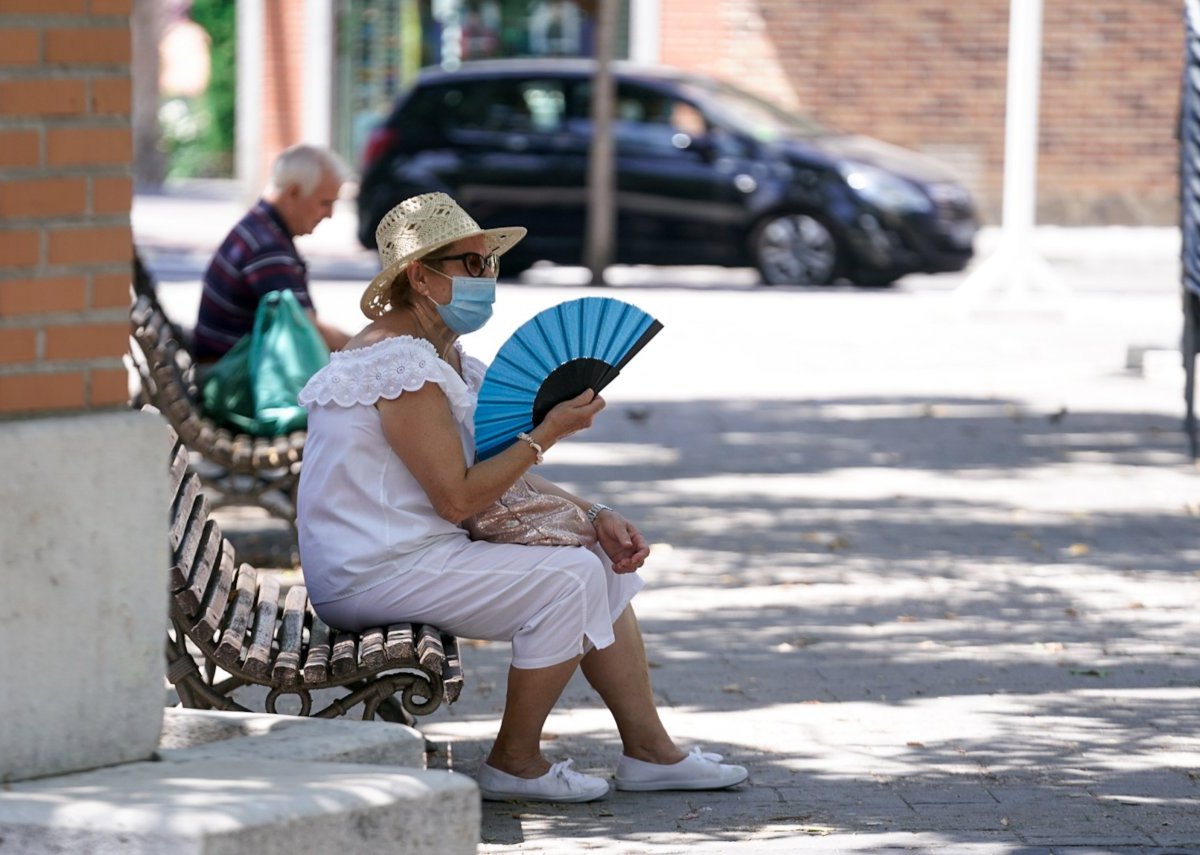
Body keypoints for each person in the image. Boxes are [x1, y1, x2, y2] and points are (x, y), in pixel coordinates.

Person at [295, 192, 748, 803]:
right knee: (569, 579)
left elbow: (495, 470)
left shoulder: (444, 356)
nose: (488, 278)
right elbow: (458, 499)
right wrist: (547, 434)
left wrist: (594, 514)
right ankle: (514, 761)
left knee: (598, 561)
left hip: (412, 555)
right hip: (371, 572)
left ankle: (650, 752)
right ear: (420, 277)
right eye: (471, 264)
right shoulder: (399, 367)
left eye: (491, 264)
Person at [192, 143, 353, 362]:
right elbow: (308, 330)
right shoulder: (265, 246)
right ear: (293, 192)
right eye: (325, 203)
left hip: (230, 366)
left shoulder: (260, 227)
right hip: (233, 379)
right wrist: (367, 345)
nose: (330, 214)